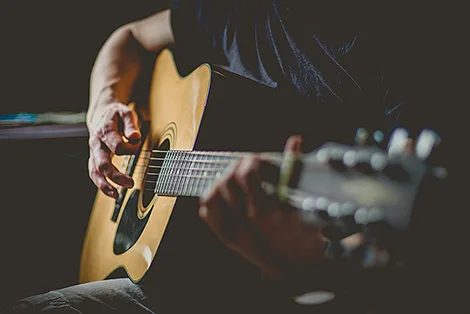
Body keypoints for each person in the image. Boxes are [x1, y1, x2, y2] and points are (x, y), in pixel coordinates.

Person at [3, 1, 457, 313]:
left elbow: (426, 260)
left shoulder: (401, 46)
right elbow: (130, 38)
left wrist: (307, 268)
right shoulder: (230, 13)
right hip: (187, 273)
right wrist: (103, 110)